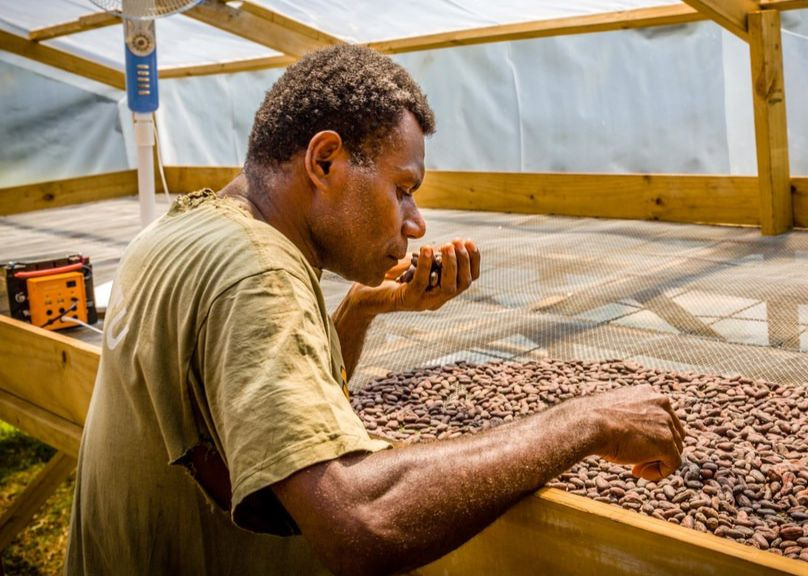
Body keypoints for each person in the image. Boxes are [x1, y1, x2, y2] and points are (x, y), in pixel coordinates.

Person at [66, 44, 685, 576]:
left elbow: (261, 411)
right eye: (403, 190)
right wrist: (583, 423)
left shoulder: (189, 228)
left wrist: (361, 309)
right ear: (326, 160)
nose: (416, 224)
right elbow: (358, 522)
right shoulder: (258, 270)